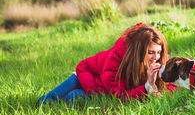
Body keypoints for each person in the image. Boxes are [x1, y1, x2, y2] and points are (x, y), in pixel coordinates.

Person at [37, 23, 176, 105]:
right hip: (85, 76)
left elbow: (170, 86)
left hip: (103, 87)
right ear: (139, 51)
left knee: (72, 98)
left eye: (158, 52)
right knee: (45, 102)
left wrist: (157, 90)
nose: (155, 57)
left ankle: (73, 97)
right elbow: (120, 96)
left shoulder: (160, 61)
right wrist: (147, 87)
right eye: (150, 52)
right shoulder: (116, 59)